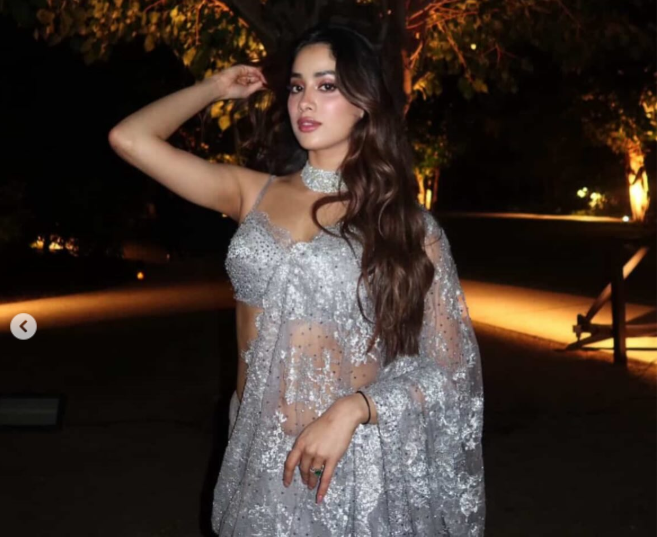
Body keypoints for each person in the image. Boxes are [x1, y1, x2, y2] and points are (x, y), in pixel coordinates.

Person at [109, 22, 485, 537]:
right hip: (258, 455)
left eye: (326, 85)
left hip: (350, 463)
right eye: (296, 86)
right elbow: (129, 139)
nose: (305, 101)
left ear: (363, 103)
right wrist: (215, 87)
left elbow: (451, 369)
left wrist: (357, 409)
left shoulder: (407, 226)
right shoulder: (252, 193)